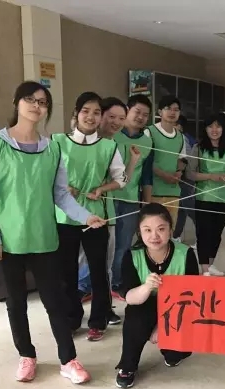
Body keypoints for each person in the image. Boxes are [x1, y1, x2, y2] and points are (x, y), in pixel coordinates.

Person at [0, 81, 106, 384]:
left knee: (55, 300)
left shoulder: (53, 148)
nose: (37, 106)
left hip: (44, 237)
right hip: (7, 240)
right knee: (16, 302)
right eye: (30, 99)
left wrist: (86, 216)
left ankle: (68, 360)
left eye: (43, 102)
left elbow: (60, 194)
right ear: (16, 102)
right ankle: (27, 355)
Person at [54, 92, 128, 342]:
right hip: (64, 217)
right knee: (67, 272)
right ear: (76, 114)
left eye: (97, 112)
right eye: (86, 111)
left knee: (99, 271)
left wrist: (102, 189)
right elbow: (46, 175)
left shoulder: (108, 147)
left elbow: (121, 179)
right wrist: (62, 188)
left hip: (96, 218)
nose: (91, 116)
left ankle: (98, 320)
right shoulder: (57, 142)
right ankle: (72, 318)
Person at [115, 203, 199, 389]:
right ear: (139, 232)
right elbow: (130, 297)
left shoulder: (185, 254)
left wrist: (161, 327)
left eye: (161, 229)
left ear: (170, 229)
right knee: (135, 318)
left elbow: (192, 298)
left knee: (175, 355)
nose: (154, 236)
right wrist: (146, 287)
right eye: (147, 230)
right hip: (144, 304)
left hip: (177, 307)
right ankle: (127, 366)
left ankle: (171, 349)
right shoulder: (132, 255)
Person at [77, 97, 140, 325]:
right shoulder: (76, 142)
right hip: (75, 214)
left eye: (121, 118)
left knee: (105, 264)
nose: (116, 122)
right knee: (78, 263)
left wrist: (133, 160)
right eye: (111, 116)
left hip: (105, 213)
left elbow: (121, 180)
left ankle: (103, 309)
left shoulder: (112, 146)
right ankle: (73, 310)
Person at [111, 95, 154, 294]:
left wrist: (147, 204)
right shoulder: (112, 135)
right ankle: (90, 284)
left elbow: (146, 175)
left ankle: (117, 282)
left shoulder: (147, 142)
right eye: (137, 112)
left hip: (130, 199)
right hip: (108, 198)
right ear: (127, 110)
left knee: (124, 244)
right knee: (104, 245)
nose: (141, 117)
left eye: (145, 114)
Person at [186, 113, 225, 276]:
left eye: (218, 126)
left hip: (224, 198)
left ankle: (211, 263)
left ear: (224, 128)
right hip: (204, 197)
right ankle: (204, 269)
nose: (214, 130)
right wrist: (210, 176)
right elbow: (190, 173)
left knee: (217, 234)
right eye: (210, 126)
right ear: (205, 129)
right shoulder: (198, 148)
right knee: (203, 233)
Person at [143, 95, 187, 225]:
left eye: (176, 109)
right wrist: (163, 175)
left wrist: (179, 172)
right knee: (153, 228)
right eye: (168, 108)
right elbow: (144, 162)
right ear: (160, 112)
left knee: (169, 229)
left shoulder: (180, 137)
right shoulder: (149, 132)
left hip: (173, 192)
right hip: (152, 191)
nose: (172, 112)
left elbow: (181, 160)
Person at [172, 115, 198, 243]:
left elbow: (186, 158)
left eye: (173, 124)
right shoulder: (183, 137)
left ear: (179, 127)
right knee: (181, 208)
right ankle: (176, 236)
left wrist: (179, 169)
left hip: (185, 177)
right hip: (181, 176)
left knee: (188, 205)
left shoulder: (182, 138)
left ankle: (202, 231)